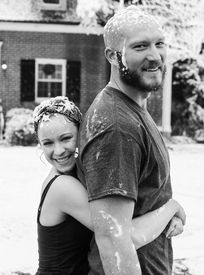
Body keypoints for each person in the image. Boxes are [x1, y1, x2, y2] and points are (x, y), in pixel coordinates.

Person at [78, 5, 186, 275]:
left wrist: (167, 210)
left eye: (159, 44)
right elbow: (113, 237)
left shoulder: (133, 111)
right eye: (140, 47)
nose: (155, 56)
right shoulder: (116, 125)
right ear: (113, 57)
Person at [33, 96, 185, 275]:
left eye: (66, 138)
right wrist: (171, 208)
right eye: (48, 143)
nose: (58, 151)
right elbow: (122, 238)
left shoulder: (77, 174)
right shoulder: (63, 186)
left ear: (81, 134)